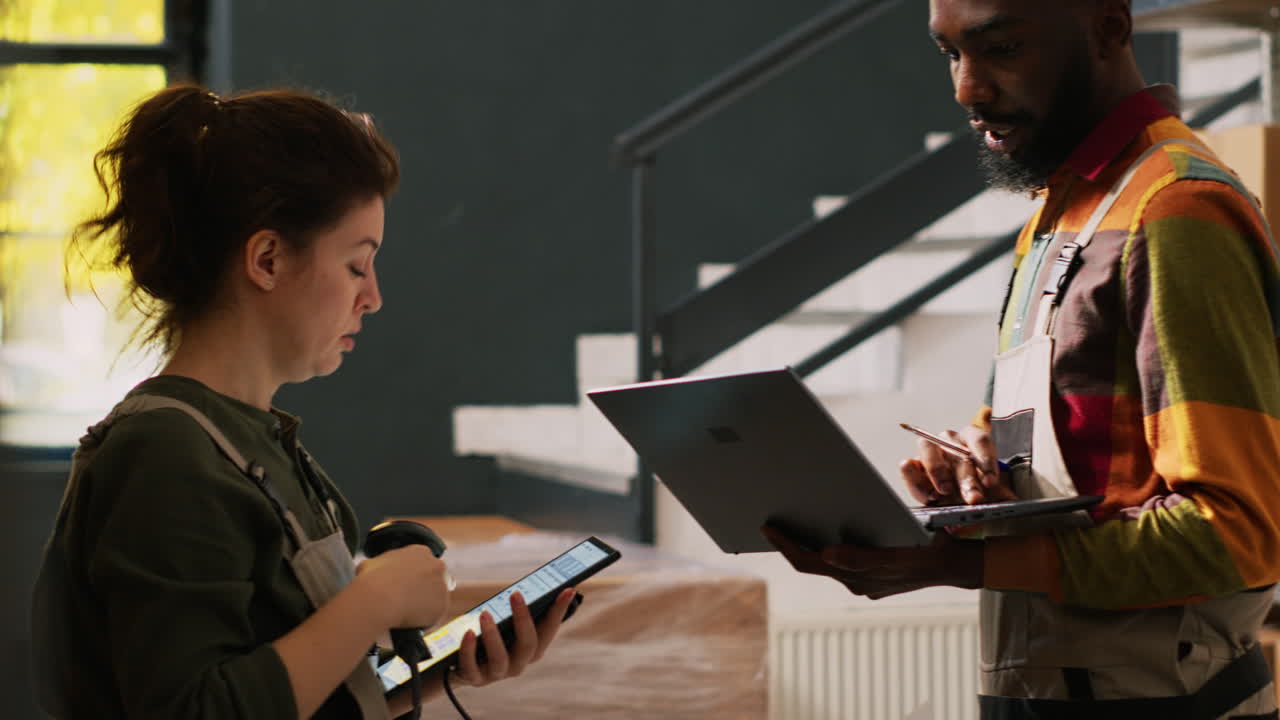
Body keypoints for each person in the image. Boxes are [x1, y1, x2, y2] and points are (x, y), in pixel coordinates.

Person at [764, 0, 1280, 717]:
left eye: (1001, 48)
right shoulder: (1057, 214)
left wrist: (962, 562)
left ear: (1108, 26)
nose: (967, 89)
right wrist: (983, 471)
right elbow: (1070, 456)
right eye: (950, 54)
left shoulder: (1179, 210)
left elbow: (1238, 535)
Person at [30, 84, 577, 719]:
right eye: (356, 265)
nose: (372, 297)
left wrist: (442, 672)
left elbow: (289, 689)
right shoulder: (165, 455)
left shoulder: (246, 440)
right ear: (266, 259)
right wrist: (372, 603)